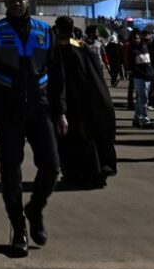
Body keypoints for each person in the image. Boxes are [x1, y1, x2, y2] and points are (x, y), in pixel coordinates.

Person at [0, 0, 60, 258]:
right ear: (5, 3)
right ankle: (18, 229)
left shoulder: (44, 31)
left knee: (51, 166)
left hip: (40, 109)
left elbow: (57, 75)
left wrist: (61, 111)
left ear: (28, 2)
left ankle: (34, 208)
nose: (16, 3)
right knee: (11, 171)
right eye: (10, 0)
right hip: (7, 111)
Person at [49, 17, 117, 189]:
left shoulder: (59, 49)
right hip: (89, 100)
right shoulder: (83, 47)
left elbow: (59, 80)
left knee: (70, 141)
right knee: (89, 138)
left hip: (70, 102)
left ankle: (77, 174)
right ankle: (96, 172)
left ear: (58, 29)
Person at [128, 31, 154, 129]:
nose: (136, 40)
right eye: (134, 38)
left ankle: (136, 118)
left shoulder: (145, 48)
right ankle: (145, 119)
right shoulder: (132, 51)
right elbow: (132, 66)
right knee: (143, 98)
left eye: (138, 38)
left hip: (148, 77)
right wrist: (143, 73)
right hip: (138, 77)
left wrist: (151, 73)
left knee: (142, 98)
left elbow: (149, 63)